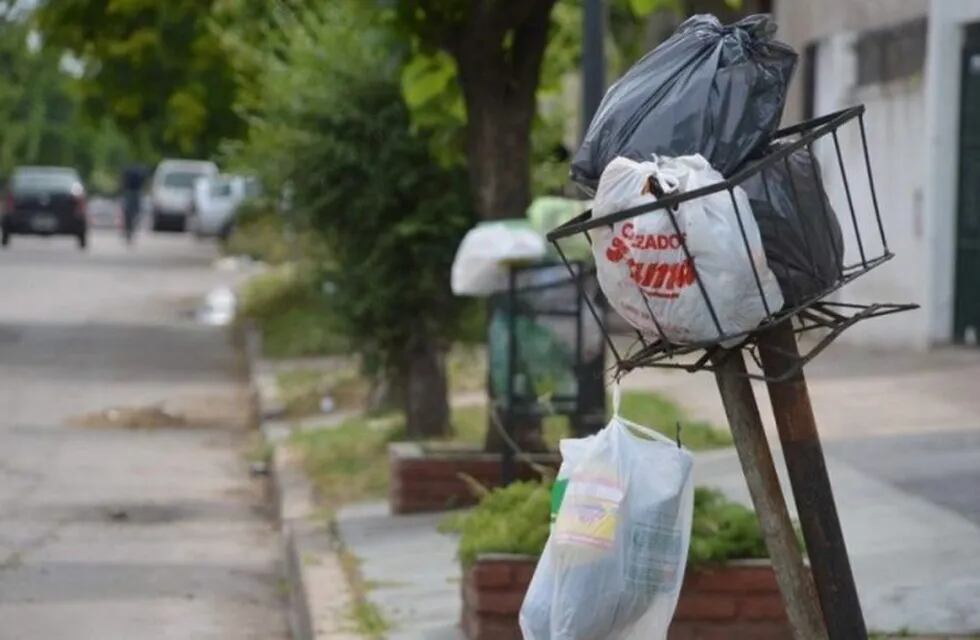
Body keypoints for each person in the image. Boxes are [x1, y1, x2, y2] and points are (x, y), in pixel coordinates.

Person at [120, 164, 146, 243]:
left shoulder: (127, 172)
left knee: (128, 214)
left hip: (128, 193)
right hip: (136, 194)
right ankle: (131, 229)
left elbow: (123, 183)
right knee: (136, 213)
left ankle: (128, 230)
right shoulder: (139, 173)